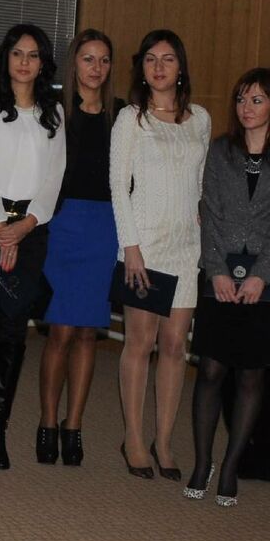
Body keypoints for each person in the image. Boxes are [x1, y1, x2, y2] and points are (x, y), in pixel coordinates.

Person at [0, 23, 65, 470]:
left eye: (33, 55)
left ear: (43, 64)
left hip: (32, 232)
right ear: (6, 57)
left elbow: (55, 176)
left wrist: (24, 227)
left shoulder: (53, 112)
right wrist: (0, 226)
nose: (24, 62)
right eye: (17, 53)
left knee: (14, 330)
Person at [110, 29, 210, 480]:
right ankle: (133, 438)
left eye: (168, 59)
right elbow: (119, 186)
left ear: (180, 66)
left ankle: (164, 441)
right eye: (150, 59)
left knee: (174, 347)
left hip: (186, 249)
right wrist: (130, 248)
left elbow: (203, 182)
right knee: (141, 343)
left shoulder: (200, 119)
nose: (159, 67)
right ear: (142, 68)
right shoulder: (131, 118)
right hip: (144, 247)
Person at [186, 67, 270, 506]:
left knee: (251, 375)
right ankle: (203, 463)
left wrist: (262, 274)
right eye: (241, 99)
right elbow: (210, 211)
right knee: (211, 370)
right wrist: (217, 270)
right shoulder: (221, 151)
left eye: (257, 99)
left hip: (264, 280)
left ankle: (232, 466)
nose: (246, 108)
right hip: (218, 275)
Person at [36, 30, 117, 466]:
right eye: (88, 59)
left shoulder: (122, 115)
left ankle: (74, 426)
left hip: (104, 228)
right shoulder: (52, 111)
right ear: (74, 63)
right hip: (62, 224)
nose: (96, 68)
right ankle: (47, 423)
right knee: (61, 331)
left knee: (88, 332)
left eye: (103, 60)